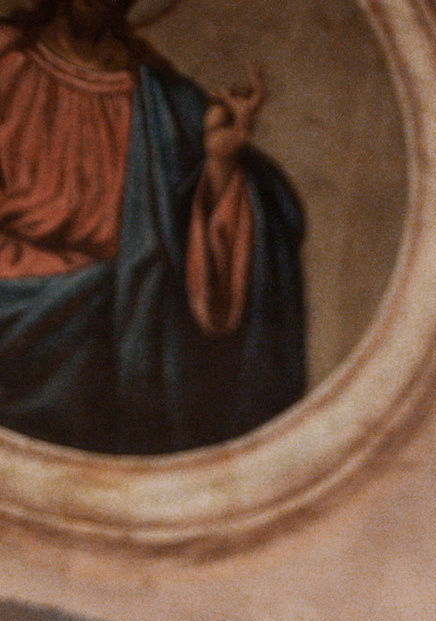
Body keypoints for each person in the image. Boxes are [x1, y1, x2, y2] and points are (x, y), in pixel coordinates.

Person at [0, 0, 305, 456]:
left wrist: (220, 161)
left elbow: (204, 255)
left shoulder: (168, 104)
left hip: (110, 326)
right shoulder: (6, 58)